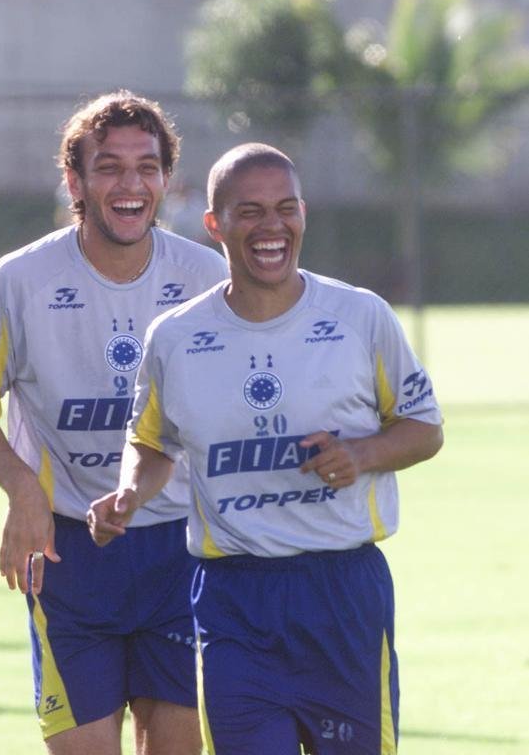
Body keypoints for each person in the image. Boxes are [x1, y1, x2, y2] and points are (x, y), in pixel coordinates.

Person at [87, 143, 444, 755]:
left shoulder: (361, 317)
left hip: (341, 591)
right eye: (249, 212)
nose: (271, 226)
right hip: (234, 598)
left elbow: (424, 428)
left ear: (303, 214)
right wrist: (129, 491)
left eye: (285, 209)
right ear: (214, 225)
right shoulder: (174, 338)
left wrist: (360, 454)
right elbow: (149, 442)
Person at [0, 90, 228, 755]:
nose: (130, 184)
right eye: (109, 167)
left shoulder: (205, 278)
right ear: (74, 181)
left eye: (147, 167)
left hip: (180, 556)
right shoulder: (21, 281)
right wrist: (23, 491)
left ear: (165, 178)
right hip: (70, 558)